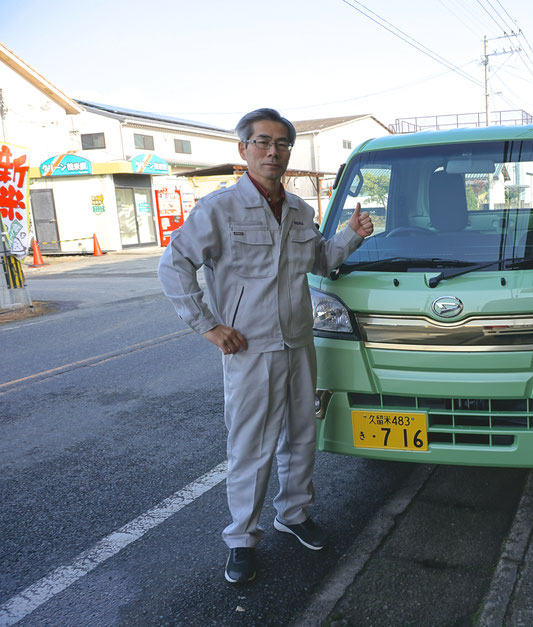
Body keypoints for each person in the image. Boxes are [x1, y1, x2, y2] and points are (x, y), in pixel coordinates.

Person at [158, 108, 373, 582]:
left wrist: (350, 238)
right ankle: (241, 537)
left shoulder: (300, 210)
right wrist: (209, 326)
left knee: (301, 436)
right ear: (243, 150)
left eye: (281, 144)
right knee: (251, 446)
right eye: (261, 142)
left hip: (299, 342)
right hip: (248, 348)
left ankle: (293, 514)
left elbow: (319, 260)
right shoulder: (218, 209)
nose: (272, 151)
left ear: (289, 152)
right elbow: (173, 266)